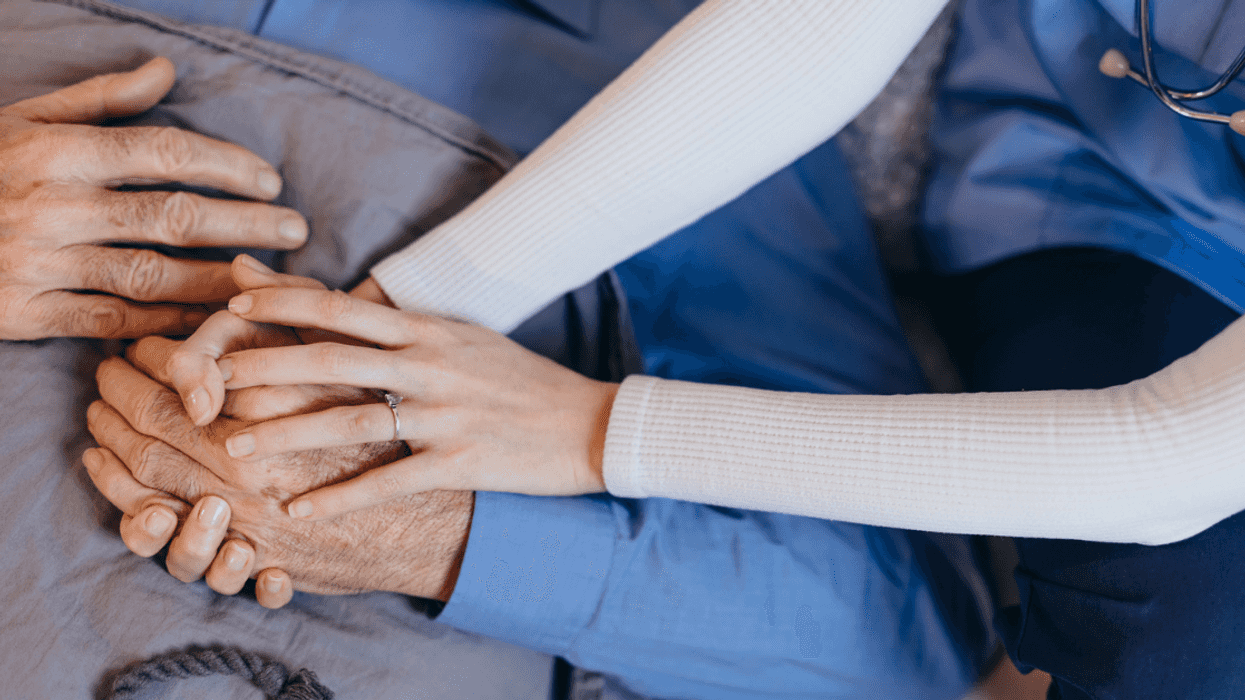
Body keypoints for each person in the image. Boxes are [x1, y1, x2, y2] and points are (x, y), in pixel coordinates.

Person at [91, 0, 1245, 697]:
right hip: (1105, 182)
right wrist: (397, 324)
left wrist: (589, 432)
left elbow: (1167, 460)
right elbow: (816, 30)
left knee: (1175, 661)